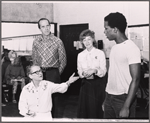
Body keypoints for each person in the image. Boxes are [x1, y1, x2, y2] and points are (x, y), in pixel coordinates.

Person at [103, 12, 141, 119]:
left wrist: (126, 106)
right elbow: (112, 76)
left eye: (106, 28)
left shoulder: (131, 48)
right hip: (109, 97)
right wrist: (106, 99)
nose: (104, 32)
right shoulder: (114, 48)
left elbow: (136, 79)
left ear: (115, 29)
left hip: (123, 98)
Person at [32, 18, 67, 117]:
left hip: (53, 73)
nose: (46, 28)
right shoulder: (36, 42)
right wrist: (36, 74)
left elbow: (63, 61)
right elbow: (34, 60)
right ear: (40, 28)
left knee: (55, 100)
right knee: (40, 99)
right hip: (39, 74)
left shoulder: (58, 41)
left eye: (47, 26)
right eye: (43, 26)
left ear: (50, 26)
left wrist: (56, 73)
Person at [77, 29, 107, 118]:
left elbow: (104, 71)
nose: (87, 42)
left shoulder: (100, 53)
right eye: (84, 40)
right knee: (86, 111)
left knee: (97, 110)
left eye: (89, 39)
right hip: (85, 85)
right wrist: (83, 73)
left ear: (93, 39)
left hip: (98, 85)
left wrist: (95, 71)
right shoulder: (80, 55)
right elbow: (79, 70)